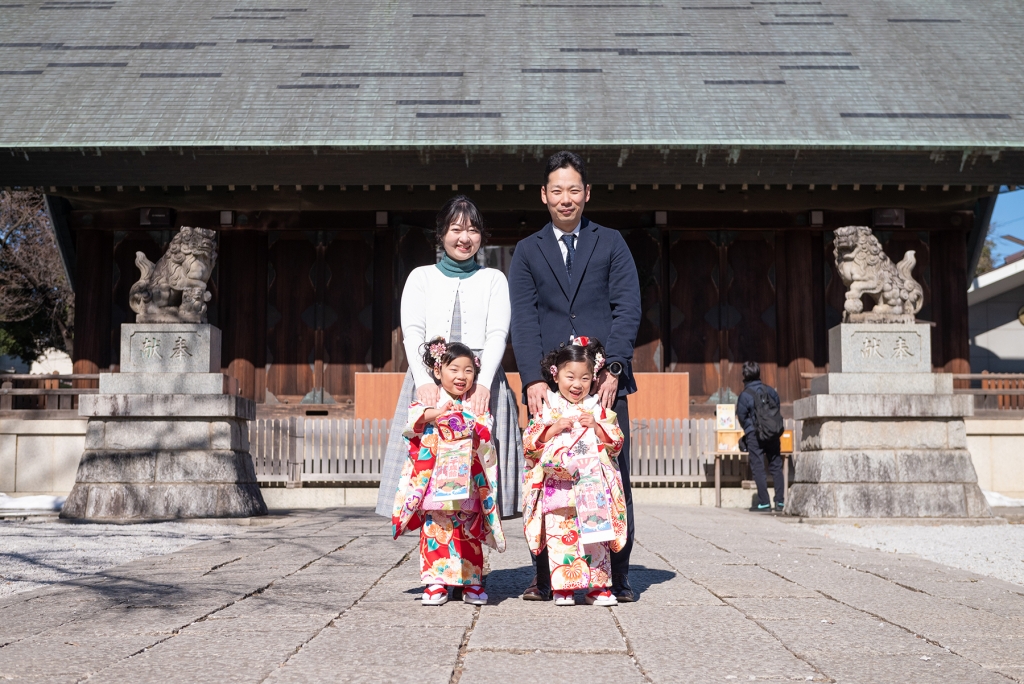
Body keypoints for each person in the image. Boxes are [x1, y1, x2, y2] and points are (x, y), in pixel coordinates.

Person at [509, 151, 641, 602]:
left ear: (587, 193)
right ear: (544, 195)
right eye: (557, 190)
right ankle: (546, 577)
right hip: (549, 389)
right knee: (548, 480)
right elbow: (524, 320)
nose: (566, 199)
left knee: (609, 478)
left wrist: (615, 368)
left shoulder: (612, 242)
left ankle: (615, 574)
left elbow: (628, 308)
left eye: (574, 189)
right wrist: (532, 379)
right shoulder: (527, 251)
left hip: (602, 384)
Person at [376, 196, 523, 522]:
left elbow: (498, 333)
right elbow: (412, 333)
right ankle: (438, 554)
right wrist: (425, 381)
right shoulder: (421, 277)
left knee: (478, 471)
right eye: (456, 229)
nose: (464, 238)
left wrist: (484, 384)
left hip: (483, 381)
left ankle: (475, 560)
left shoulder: (494, 279)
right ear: (441, 234)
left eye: (472, 230)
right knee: (431, 466)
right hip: (432, 380)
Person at [392, 338, 505, 606]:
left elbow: (485, 431)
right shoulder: (427, 402)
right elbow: (412, 423)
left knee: (469, 528)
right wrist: (437, 414)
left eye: (468, 371)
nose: (461, 376)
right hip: (437, 477)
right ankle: (436, 582)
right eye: (454, 369)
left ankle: (472, 581)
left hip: (466, 477)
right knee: (436, 527)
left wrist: (465, 421)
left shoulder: (475, 404)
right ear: (437, 371)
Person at [521, 337, 627, 607]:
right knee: (562, 536)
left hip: (592, 487)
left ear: (594, 378)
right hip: (560, 488)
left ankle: (598, 588)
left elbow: (616, 442)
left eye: (585, 377)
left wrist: (598, 426)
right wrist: (553, 428)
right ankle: (564, 588)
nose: (577, 384)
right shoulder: (548, 408)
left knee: (596, 538)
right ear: (555, 376)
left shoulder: (598, 409)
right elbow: (530, 444)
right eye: (570, 376)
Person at [735, 361, 785, 513]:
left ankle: (764, 502)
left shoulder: (744, 396)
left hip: (755, 436)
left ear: (745, 376)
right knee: (776, 466)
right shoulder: (771, 391)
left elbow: (742, 416)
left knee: (758, 468)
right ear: (758, 373)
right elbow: (776, 408)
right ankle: (780, 502)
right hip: (772, 433)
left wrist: (750, 429)